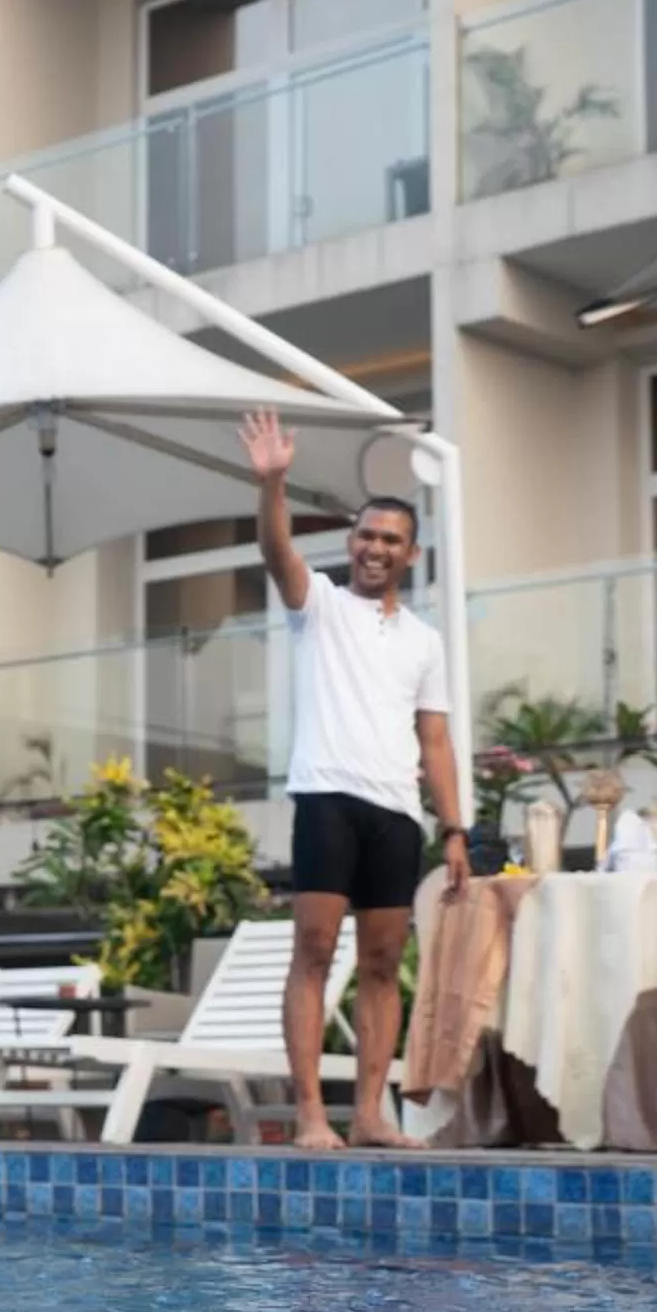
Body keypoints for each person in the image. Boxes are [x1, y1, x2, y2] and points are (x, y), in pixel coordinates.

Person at [240, 409, 470, 1152]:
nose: (376, 549)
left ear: (411, 554)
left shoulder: (424, 641)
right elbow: (276, 554)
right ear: (351, 543)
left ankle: (371, 1114)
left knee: (380, 965)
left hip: (396, 813)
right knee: (313, 952)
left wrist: (455, 829)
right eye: (366, 536)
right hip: (328, 798)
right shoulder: (322, 608)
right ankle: (312, 1116)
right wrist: (272, 485)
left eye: (390, 540)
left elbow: (434, 739)